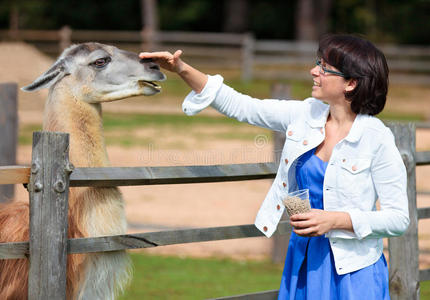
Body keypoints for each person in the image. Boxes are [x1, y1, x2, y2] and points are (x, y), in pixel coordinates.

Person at [140, 34, 410, 299]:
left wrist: (334, 220)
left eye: (324, 68)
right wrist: (181, 69)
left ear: (350, 83)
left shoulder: (377, 139)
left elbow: (398, 219)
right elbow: (242, 106)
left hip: (353, 271)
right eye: (317, 63)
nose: (313, 71)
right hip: (303, 258)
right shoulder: (305, 114)